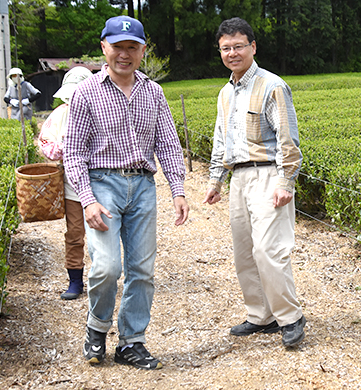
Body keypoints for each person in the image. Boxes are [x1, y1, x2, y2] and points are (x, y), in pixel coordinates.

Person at [64, 15, 189, 370]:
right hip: (103, 186)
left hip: (143, 187)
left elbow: (167, 142)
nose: (124, 54)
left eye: (131, 47)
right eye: (117, 47)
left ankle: (132, 342)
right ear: (104, 47)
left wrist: (177, 190)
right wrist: (86, 199)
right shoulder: (87, 92)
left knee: (142, 270)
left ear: (142, 50)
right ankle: (97, 327)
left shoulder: (153, 91)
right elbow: (73, 151)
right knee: (106, 267)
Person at [203, 17, 306, 348]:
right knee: (245, 251)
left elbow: (287, 138)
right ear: (220, 51)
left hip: (267, 174)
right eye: (226, 48)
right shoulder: (224, 92)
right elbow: (222, 138)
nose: (233, 53)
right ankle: (261, 315)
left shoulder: (272, 85)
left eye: (239, 46)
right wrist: (215, 180)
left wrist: (285, 182)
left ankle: (291, 317)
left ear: (253, 47)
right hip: (239, 178)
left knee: (269, 250)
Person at [37, 66, 93, 301]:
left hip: (102, 183)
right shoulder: (60, 114)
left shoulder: (102, 110)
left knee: (103, 234)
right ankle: (75, 280)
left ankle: (102, 278)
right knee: (75, 233)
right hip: (73, 186)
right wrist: (65, 147)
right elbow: (46, 144)